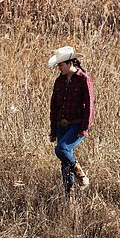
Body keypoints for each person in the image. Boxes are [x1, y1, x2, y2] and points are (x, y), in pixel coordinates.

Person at [47, 46, 94, 196]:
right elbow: (54, 106)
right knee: (64, 162)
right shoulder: (59, 81)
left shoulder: (83, 79)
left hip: (77, 124)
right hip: (62, 125)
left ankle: (81, 175)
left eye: (61, 65)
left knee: (61, 150)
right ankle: (70, 196)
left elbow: (90, 105)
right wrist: (53, 130)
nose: (59, 68)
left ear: (70, 63)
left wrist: (84, 127)